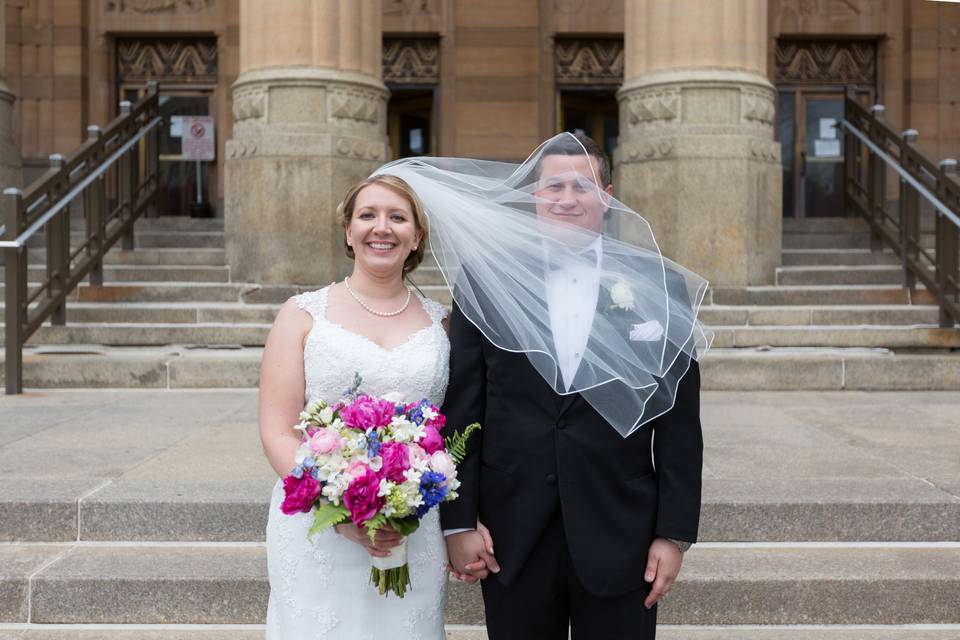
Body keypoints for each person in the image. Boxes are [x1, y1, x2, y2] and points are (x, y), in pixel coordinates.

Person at [435, 134, 706, 639]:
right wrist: (458, 521)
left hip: (620, 526)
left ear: (606, 194)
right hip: (511, 528)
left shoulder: (658, 285)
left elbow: (679, 421)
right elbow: (464, 409)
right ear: (534, 196)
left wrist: (673, 534)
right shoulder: (484, 280)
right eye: (553, 185)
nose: (566, 197)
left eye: (581, 185)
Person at [259, 175, 451, 639]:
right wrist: (341, 511)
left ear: (417, 236)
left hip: (410, 525)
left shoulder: (443, 323)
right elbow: (278, 431)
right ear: (348, 230)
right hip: (318, 521)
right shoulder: (303, 315)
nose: (381, 228)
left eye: (397, 217)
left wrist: (403, 501)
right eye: (367, 215)